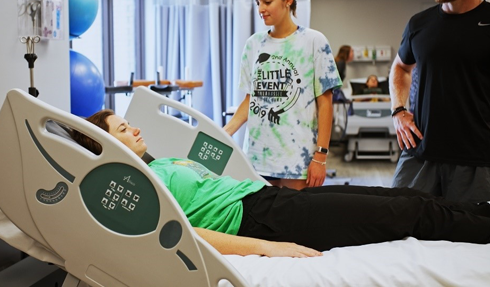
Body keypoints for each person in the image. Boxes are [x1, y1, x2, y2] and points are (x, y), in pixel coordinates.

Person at [72, 109, 490, 258]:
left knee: (399, 196)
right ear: (107, 145)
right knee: (405, 213)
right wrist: (267, 248)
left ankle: (477, 214)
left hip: (266, 199)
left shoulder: (158, 163)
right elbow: (182, 233)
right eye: (124, 129)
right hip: (261, 221)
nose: (136, 129)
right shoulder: (136, 190)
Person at [223, 0, 342, 190]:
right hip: (257, 156)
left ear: (288, 0)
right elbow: (251, 100)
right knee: (259, 220)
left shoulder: (314, 41)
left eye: (267, 1)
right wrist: (223, 133)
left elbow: (325, 103)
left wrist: (321, 156)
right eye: (258, 2)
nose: (261, 9)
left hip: (297, 156)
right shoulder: (253, 44)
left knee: (293, 221)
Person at [389, 0, 490, 203]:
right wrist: (398, 110)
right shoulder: (418, 24)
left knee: (470, 237)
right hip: (419, 155)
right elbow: (400, 68)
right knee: (400, 227)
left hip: (476, 160)